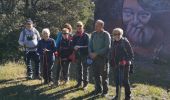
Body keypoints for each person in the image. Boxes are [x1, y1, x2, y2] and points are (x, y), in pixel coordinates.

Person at [110, 28, 134, 100]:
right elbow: (111, 53)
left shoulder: (125, 42)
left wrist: (126, 61)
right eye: (115, 34)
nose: (117, 36)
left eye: (119, 34)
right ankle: (117, 95)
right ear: (113, 35)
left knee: (125, 81)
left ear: (121, 34)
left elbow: (131, 54)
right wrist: (111, 60)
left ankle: (128, 96)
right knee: (117, 80)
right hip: (116, 65)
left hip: (124, 65)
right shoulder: (113, 42)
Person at [89, 20, 111, 96]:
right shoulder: (93, 34)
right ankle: (97, 89)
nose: (95, 27)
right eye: (95, 25)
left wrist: (96, 53)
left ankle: (105, 91)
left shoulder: (106, 34)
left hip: (103, 58)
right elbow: (90, 45)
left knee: (104, 76)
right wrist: (91, 53)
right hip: (94, 58)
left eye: (97, 25)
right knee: (95, 75)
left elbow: (107, 47)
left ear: (102, 26)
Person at [72, 21, 89, 89]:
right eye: (77, 26)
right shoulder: (74, 36)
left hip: (85, 54)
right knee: (78, 69)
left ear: (83, 26)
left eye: (80, 26)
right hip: (77, 55)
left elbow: (88, 46)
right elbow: (72, 45)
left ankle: (85, 84)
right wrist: (74, 47)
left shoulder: (86, 35)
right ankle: (79, 83)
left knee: (85, 69)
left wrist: (79, 47)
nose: (79, 27)